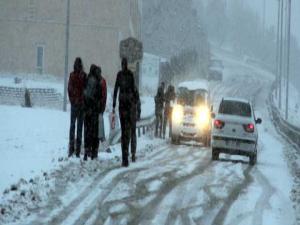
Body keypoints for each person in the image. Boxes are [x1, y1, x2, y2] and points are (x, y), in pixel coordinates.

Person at [113, 58, 136, 167]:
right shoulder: (130, 75)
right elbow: (134, 90)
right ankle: (125, 156)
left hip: (122, 106)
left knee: (124, 132)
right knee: (126, 132)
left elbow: (115, 90)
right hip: (128, 106)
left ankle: (124, 158)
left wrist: (114, 104)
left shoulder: (120, 75)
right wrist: (135, 103)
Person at [68, 57, 87, 157]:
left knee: (72, 126)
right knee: (80, 127)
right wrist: (82, 100)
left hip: (74, 105)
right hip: (81, 105)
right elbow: (86, 90)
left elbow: (69, 89)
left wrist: (72, 100)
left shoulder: (72, 75)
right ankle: (78, 151)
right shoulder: (83, 76)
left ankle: (71, 149)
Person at [84, 65, 102, 161]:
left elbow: (84, 94)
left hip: (87, 110)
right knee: (94, 132)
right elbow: (99, 97)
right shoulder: (97, 83)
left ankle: (87, 150)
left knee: (87, 131)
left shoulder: (87, 80)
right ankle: (94, 152)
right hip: (94, 111)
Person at [130, 86, 141, 162]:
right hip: (133, 114)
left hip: (125, 114)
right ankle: (133, 153)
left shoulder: (125, 87)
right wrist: (138, 114)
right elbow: (138, 102)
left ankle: (125, 153)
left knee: (126, 135)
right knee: (133, 134)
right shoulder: (135, 89)